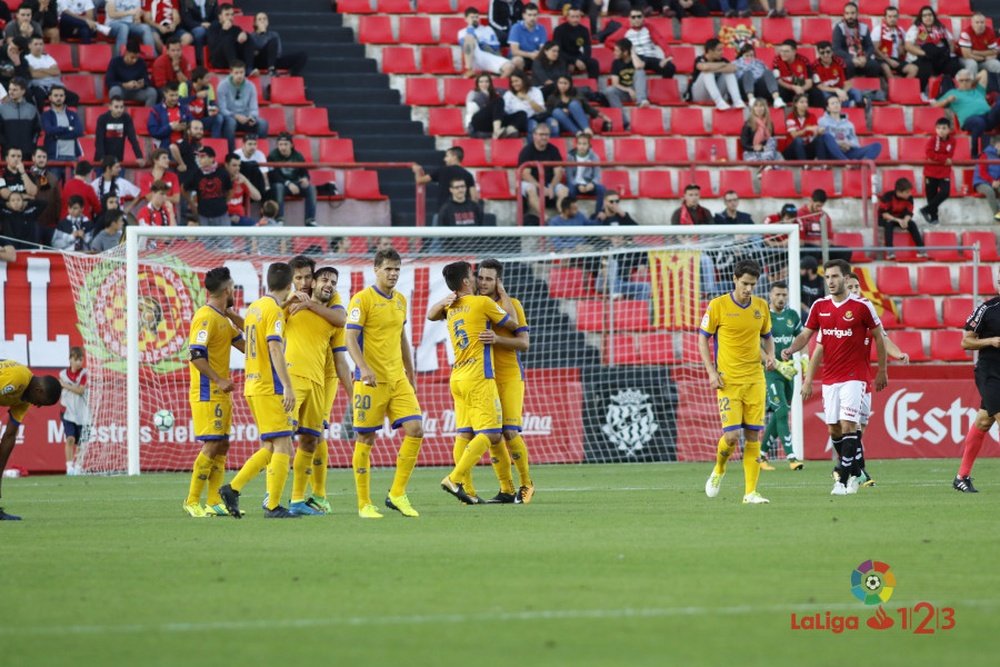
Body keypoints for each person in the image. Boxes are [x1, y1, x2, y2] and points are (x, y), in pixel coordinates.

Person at [783, 259, 888, 496]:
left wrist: (882, 370)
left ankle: (841, 478)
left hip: (855, 375)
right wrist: (791, 350)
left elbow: (879, 337)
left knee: (849, 424)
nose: (830, 281)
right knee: (834, 429)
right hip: (830, 377)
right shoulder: (819, 306)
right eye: (827, 277)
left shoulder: (862, 307)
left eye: (835, 277)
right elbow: (806, 335)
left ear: (845, 278)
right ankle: (857, 472)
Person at [437, 261, 527, 505]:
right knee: (486, 434)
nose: (484, 282)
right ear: (471, 280)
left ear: (499, 282)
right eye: (481, 277)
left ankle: (526, 486)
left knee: (507, 432)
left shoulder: (511, 304)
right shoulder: (472, 304)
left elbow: (523, 341)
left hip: (507, 377)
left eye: (490, 279)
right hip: (482, 376)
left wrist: (497, 339)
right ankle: (503, 489)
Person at [345, 248, 424, 519]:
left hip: (398, 379)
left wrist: (410, 374)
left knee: (416, 429)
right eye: (388, 269)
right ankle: (364, 503)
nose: (393, 274)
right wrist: (364, 368)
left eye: (397, 269)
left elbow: (402, 337)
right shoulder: (362, 300)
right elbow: (349, 339)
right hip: (370, 382)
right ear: (375, 269)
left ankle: (397, 493)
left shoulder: (401, 300)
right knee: (366, 438)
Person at [218, 262, 298, 519]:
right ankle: (273, 505)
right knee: (284, 445)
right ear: (289, 285)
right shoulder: (273, 310)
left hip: (252, 384)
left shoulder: (255, 307)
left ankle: (233, 488)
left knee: (271, 447)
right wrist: (287, 386)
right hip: (269, 386)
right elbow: (274, 347)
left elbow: (257, 329)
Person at [700, 259, 775, 505]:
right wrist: (711, 372)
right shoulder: (718, 305)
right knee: (731, 437)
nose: (748, 289)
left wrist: (771, 356)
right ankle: (719, 469)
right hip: (728, 381)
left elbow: (767, 336)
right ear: (735, 279)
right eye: (744, 283)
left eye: (753, 284)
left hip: (755, 380)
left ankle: (750, 492)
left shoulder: (761, 307)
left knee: (753, 437)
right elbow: (703, 340)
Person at [181, 266, 245, 517]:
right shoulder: (205, 317)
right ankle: (192, 500)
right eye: (233, 287)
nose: (235, 291)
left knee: (223, 444)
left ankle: (214, 501)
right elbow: (195, 355)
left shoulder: (223, 320)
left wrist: (234, 314)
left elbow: (249, 345)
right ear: (227, 289)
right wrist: (218, 379)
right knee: (212, 444)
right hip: (208, 390)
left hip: (221, 392)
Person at [281, 266, 342, 516]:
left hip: (321, 381)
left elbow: (341, 320)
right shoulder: (289, 304)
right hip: (293, 378)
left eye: (333, 281)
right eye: (323, 280)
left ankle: (302, 500)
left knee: (311, 439)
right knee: (281, 438)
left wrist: (310, 306)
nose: (328, 284)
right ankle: (270, 494)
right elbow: (269, 321)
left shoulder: (331, 306)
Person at [954, 270, 1000, 492]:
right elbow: (966, 342)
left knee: (984, 421)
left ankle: (961, 477)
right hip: (990, 373)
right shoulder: (987, 309)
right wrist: (991, 340)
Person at [0, 359, 61, 520]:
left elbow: (10, 436)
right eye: (42, 403)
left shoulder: (23, 399)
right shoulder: (16, 378)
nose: (38, 406)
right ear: (39, 390)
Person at [758, 281, 804, 472]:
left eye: (784, 295)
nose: (781, 298)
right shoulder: (763, 316)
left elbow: (803, 337)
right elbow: (757, 344)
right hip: (771, 372)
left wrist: (805, 358)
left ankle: (760, 456)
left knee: (781, 413)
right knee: (782, 412)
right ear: (770, 295)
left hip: (789, 371)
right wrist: (774, 362)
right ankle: (791, 457)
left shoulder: (792, 315)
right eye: (777, 294)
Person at [931, 68, 998, 158]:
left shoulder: (978, 90)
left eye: (967, 80)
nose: (964, 83)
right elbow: (934, 105)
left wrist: (972, 83)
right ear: (957, 82)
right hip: (970, 120)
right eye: (961, 81)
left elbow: (984, 72)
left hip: (988, 117)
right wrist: (947, 100)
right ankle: (974, 153)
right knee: (978, 122)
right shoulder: (953, 92)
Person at [905, 5, 962, 95]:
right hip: (922, 57)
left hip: (940, 58)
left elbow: (951, 42)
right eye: (925, 15)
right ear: (921, 17)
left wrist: (947, 53)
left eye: (930, 15)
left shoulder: (941, 28)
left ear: (933, 16)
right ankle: (921, 92)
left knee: (954, 65)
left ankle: (952, 91)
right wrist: (924, 53)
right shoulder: (915, 28)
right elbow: (908, 46)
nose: (928, 17)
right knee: (925, 66)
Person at [517, 123, 568, 217]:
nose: (544, 137)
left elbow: (558, 172)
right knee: (530, 189)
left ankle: (562, 217)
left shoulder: (554, 150)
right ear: (534, 136)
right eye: (541, 134)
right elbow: (525, 175)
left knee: (564, 190)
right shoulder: (527, 151)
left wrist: (552, 186)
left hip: (549, 183)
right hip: (531, 182)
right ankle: (545, 217)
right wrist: (540, 186)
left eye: (546, 134)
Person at [217, 60, 267, 151]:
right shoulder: (222, 86)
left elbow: (254, 108)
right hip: (230, 117)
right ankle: (231, 152)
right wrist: (236, 116)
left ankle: (258, 151)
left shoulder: (251, 86)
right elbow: (222, 109)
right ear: (231, 73)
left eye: (242, 72)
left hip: (246, 118)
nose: (239, 75)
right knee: (231, 123)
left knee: (263, 124)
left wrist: (252, 117)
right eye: (236, 73)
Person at [412, 145, 478, 214]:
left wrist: (417, 171)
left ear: (454, 157)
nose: (444, 159)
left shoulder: (442, 171)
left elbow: (419, 181)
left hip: (443, 212)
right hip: (461, 213)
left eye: (447, 156)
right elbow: (474, 198)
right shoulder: (468, 175)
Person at [268, 132, 315, 226]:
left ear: (291, 145)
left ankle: (310, 220)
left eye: (285, 144)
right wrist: (288, 183)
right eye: (280, 144)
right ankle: (279, 219)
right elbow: (273, 176)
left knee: (311, 188)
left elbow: (304, 173)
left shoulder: (298, 156)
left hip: (295, 184)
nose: (283, 147)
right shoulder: (272, 156)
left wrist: (305, 179)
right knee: (278, 187)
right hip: (280, 184)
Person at [816, 95, 881, 161]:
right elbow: (824, 140)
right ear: (828, 108)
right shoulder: (822, 121)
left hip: (847, 151)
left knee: (876, 146)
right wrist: (838, 144)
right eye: (833, 103)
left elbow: (855, 142)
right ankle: (846, 162)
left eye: (837, 102)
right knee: (826, 136)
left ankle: (863, 164)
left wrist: (848, 144)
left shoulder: (849, 124)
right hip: (831, 153)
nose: (836, 105)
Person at [795, 188, 853, 262]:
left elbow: (830, 239)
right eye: (817, 206)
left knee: (846, 251)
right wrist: (815, 242)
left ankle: (835, 270)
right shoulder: (800, 214)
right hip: (808, 248)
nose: (819, 209)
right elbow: (800, 241)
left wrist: (827, 242)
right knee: (813, 251)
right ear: (811, 200)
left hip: (822, 248)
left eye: (821, 206)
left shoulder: (824, 216)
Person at [602, 38, 648, 129]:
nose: (614, 53)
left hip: (638, 91)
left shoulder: (639, 58)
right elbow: (615, 83)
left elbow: (639, 66)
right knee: (609, 90)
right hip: (625, 92)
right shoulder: (616, 63)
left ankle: (641, 101)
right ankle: (623, 121)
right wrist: (629, 90)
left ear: (625, 52)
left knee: (640, 72)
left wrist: (633, 53)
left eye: (617, 51)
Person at [57, 346, 89, 476]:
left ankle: (79, 467)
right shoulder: (62, 374)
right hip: (67, 412)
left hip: (83, 413)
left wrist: (65, 385)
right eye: (76, 359)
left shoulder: (84, 374)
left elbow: (81, 390)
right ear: (70, 359)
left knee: (82, 442)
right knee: (70, 438)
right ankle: (69, 467)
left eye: (81, 360)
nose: (79, 362)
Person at [460, 7, 517, 79]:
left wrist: (483, 44)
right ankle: (469, 69)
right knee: (469, 38)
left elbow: (495, 47)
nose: (475, 19)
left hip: (487, 56)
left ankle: (496, 85)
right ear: (466, 19)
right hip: (474, 58)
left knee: (510, 66)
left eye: (476, 17)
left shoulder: (487, 29)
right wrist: (471, 28)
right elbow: (465, 46)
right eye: (472, 17)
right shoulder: (462, 32)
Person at [24, 36, 80, 109]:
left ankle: (64, 116)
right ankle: (41, 118)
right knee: (38, 97)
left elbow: (57, 72)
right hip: (38, 86)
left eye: (41, 44)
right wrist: (49, 71)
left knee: (74, 97)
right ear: (29, 46)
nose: (39, 47)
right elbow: (33, 74)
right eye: (36, 44)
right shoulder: (26, 59)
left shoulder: (48, 57)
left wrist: (40, 69)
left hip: (54, 85)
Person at [877, 177, 926, 260]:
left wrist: (906, 220)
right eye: (907, 192)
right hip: (887, 218)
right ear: (899, 192)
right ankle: (890, 252)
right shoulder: (888, 196)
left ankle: (921, 250)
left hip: (901, 218)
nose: (909, 194)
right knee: (889, 224)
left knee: (912, 224)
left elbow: (909, 212)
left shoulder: (909, 198)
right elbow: (884, 214)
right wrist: (898, 220)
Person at [691, 38, 745, 112]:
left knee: (729, 73)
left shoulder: (722, 60)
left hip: (715, 93)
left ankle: (737, 100)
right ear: (710, 51)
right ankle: (719, 101)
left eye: (722, 49)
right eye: (719, 50)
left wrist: (713, 68)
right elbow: (704, 67)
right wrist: (722, 65)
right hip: (700, 95)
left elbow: (733, 68)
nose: (722, 52)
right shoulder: (700, 59)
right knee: (707, 72)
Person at [248, 11, 307, 76]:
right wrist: (262, 34)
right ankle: (271, 70)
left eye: (265, 19)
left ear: (268, 22)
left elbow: (278, 53)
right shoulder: (251, 36)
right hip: (259, 62)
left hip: (273, 61)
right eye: (259, 19)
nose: (262, 21)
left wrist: (260, 50)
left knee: (303, 55)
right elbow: (252, 54)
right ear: (255, 23)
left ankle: (289, 75)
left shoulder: (274, 35)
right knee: (272, 42)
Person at [832, 2, 881, 79]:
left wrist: (865, 57)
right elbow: (836, 49)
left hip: (862, 58)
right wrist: (851, 58)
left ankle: (871, 89)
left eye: (852, 13)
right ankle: (849, 89)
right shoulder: (839, 28)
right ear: (844, 14)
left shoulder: (864, 27)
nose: (850, 16)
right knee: (848, 64)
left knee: (874, 65)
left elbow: (870, 46)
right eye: (847, 13)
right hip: (847, 58)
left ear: (857, 14)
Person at [620, 8, 674, 77]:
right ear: (629, 19)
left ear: (643, 17)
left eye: (639, 16)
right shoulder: (624, 30)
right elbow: (610, 41)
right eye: (633, 17)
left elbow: (660, 40)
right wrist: (623, 52)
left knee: (670, 67)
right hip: (636, 59)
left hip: (650, 57)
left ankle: (664, 87)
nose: (636, 19)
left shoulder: (649, 27)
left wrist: (668, 55)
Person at [465, 72, 520, 138]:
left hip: (491, 123)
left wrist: (521, 95)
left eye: (486, 82)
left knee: (522, 114)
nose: (484, 84)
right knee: (498, 100)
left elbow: (510, 91)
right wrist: (484, 96)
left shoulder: (496, 91)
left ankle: (508, 131)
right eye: (481, 82)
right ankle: (497, 131)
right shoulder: (473, 93)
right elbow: (470, 111)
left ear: (490, 83)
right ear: (477, 84)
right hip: (478, 122)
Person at [503, 69, 557, 136]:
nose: (514, 84)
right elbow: (506, 112)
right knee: (533, 125)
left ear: (524, 80)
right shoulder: (509, 94)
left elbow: (541, 110)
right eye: (512, 82)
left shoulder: (535, 91)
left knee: (554, 125)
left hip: (537, 117)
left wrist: (527, 99)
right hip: (520, 121)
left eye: (516, 81)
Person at [186, 145, 230, 226]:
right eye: (198, 157)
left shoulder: (222, 173)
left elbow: (230, 189)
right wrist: (192, 204)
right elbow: (184, 188)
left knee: (225, 238)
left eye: (202, 156)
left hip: (221, 214)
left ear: (212, 158)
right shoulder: (195, 174)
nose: (199, 159)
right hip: (203, 215)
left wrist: (224, 202)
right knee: (205, 239)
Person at [813, 40, 865, 108]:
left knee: (857, 93)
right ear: (818, 54)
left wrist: (843, 91)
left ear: (832, 52)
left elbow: (849, 82)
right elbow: (819, 86)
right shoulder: (814, 66)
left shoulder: (841, 62)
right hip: (827, 90)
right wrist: (836, 90)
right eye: (822, 53)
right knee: (826, 97)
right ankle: (849, 105)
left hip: (842, 88)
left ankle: (859, 111)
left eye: (828, 52)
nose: (825, 55)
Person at [106, 39, 158, 107]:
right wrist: (124, 84)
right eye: (132, 57)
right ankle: (118, 114)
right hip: (121, 90)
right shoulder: (115, 62)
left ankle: (148, 115)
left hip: (136, 90)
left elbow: (147, 80)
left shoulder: (141, 62)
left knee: (152, 92)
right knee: (114, 90)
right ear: (126, 53)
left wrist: (141, 84)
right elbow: (109, 81)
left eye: (136, 57)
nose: (135, 60)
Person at [921, 116, 954, 224]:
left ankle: (925, 209)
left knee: (945, 192)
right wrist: (944, 159)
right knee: (931, 195)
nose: (941, 130)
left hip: (944, 172)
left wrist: (942, 158)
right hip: (930, 171)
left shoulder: (953, 141)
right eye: (938, 128)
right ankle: (934, 219)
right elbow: (929, 154)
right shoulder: (932, 140)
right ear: (935, 129)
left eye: (944, 128)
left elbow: (950, 155)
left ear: (949, 130)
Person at [872, 5, 919, 80]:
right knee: (886, 68)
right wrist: (889, 60)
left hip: (896, 60)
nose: (892, 19)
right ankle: (894, 89)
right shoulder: (878, 29)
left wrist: (902, 49)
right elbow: (874, 49)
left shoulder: (901, 31)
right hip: (882, 59)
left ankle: (902, 88)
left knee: (914, 69)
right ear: (885, 18)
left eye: (894, 16)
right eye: (890, 16)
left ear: (897, 17)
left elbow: (906, 49)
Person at [94, 96, 145, 165]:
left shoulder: (127, 118)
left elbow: (132, 138)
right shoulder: (102, 119)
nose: (119, 110)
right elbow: (99, 140)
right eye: (116, 107)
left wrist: (139, 156)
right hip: (102, 159)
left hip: (118, 159)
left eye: (121, 107)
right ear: (110, 107)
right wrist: (102, 158)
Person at [551, 7, 598, 79]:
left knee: (593, 63)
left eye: (577, 16)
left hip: (579, 58)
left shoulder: (584, 30)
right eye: (573, 17)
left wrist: (581, 60)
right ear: (567, 17)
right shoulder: (559, 30)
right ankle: (565, 88)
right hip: (564, 58)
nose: (575, 19)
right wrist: (573, 61)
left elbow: (588, 50)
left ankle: (594, 87)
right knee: (561, 63)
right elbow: (558, 51)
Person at [437, 178, 484, 248]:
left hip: (476, 249)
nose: (460, 190)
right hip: (454, 251)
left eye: (462, 186)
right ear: (451, 190)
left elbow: (482, 227)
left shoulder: (475, 206)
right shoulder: (445, 209)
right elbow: (443, 235)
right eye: (457, 187)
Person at [0, 78, 40, 159]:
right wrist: (5, 145)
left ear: (23, 91)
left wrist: (32, 145)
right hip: (8, 153)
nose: (11, 92)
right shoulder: (1, 109)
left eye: (15, 90)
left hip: (28, 153)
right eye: (10, 89)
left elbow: (37, 130)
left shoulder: (32, 109)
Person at [207, 3, 254, 71]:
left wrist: (244, 34)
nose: (230, 17)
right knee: (228, 39)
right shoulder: (213, 28)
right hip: (219, 60)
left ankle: (249, 68)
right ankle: (235, 68)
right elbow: (213, 47)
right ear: (220, 16)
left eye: (232, 15)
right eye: (227, 15)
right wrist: (224, 31)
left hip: (235, 58)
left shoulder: (236, 28)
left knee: (247, 37)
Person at [734, 44, 783, 108]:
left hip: (758, 89)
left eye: (751, 55)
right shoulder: (735, 63)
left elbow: (767, 76)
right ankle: (751, 100)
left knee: (768, 72)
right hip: (743, 89)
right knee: (748, 73)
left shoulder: (760, 63)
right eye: (747, 55)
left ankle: (777, 99)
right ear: (741, 55)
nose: (749, 57)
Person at [178, 65, 221, 138]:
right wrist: (196, 96)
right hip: (188, 120)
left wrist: (214, 109)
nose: (209, 80)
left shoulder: (209, 87)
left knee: (218, 118)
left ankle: (215, 142)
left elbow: (212, 103)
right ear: (199, 80)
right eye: (206, 78)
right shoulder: (184, 86)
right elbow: (179, 102)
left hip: (202, 120)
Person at [147, 81, 191, 149]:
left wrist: (185, 128)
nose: (175, 98)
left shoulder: (184, 109)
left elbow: (192, 124)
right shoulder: (156, 110)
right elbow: (154, 132)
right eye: (172, 95)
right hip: (165, 148)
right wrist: (170, 127)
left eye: (176, 95)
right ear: (165, 94)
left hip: (184, 146)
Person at [567, 132, 604, 211]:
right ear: (576, 145)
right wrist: (577, 185)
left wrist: (592, 184)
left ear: (589, 145)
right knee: (570, 190)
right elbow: (569, 177)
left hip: (589, 185)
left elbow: (597, 175)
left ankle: (598, 214)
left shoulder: (594, 157)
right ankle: (573, 214)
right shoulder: (570, 156)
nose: (582, 146)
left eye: (584, 144)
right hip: (576, 185)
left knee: (602, 189)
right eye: (579, 144)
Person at [740, 97, 782, 165]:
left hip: (767, 151)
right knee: (774, 157)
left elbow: (771, 142)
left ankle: (766, 163)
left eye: (761, 106)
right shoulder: (748, 124)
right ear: (753, 108)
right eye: (756, 106)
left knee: (773, 141)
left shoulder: (770, 123)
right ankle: (767, 164)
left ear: (765, 108)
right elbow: (744, 143)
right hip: (752, 152)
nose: (758, 108)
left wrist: (763, 147)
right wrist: (754, 147)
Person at [224, 151, 260, 227]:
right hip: (224, 218)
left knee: (257, 229)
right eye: (234, 165)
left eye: (239, 166)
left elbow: (257, 197)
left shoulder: (241, 180)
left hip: (240, 218)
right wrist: (228, 217)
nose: (237, 168)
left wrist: (245, 180)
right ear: (226, 165)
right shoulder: (220, 180)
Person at [958, 12, 1000, 76]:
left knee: (996, 64)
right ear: (972, 24)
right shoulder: (966, 33)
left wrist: (975, 52)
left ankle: (997, 85)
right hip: (964, 59)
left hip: (981, 60)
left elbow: (994, 51)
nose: (980, 25)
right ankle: (971, 85)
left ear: (985, 23)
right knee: (972, 64)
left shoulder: (989, 31)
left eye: (982, 22)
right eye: (977, 22)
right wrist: (984, 58)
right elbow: (967, 55)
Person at [782, 93, 822, 161]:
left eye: (806, 102)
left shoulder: (812, 116)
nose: (805, 104)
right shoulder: (791, 117)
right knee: (798, 140)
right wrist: (806, 129)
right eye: (802, 102)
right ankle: (805, 165)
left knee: (820, 139)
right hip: (791, 151)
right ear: (796, 104)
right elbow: (794, 135)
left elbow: (815, 132)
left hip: (806, 148)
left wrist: (819, 131)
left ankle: (823, 164)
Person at [508, 3, 547, 70]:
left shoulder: (541, 28)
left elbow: (542, 48)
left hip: (535, 57)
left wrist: (538, 54)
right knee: (517, 61)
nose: (532, 18)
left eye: (535, 15)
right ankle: (521, 79)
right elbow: (514, 51)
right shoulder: (516, 28)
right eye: (529, 15)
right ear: (524, 15)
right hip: (520, 56)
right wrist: (530, 54)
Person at [178, 0, 217, 65]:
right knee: (200, 32)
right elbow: (187, 20)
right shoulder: (185, 1)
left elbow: (218, 16)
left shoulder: (212, 1)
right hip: (192, 27)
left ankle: (215, 60)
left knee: (217, 29)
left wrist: (211, 25)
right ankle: (200, 61)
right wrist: (201, 24)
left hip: (210, 26)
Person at [973, 134, 1000, 220]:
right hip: (981, 182)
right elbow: (982, 173)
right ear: (997, 145)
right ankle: (997, 215)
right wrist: (992, 182)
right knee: (989, 191)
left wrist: (998, 181)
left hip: (996, 182)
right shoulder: (984, 155)